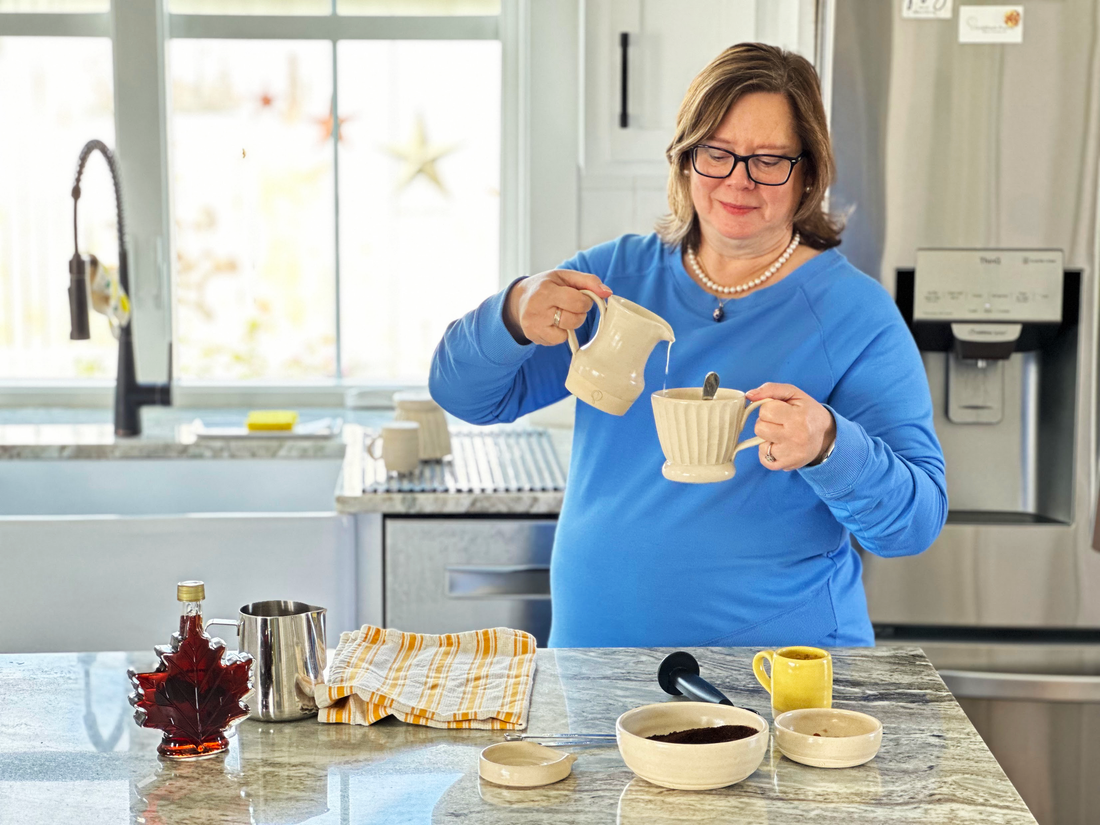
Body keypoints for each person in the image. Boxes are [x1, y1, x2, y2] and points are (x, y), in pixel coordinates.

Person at [430, 43, 946, 648]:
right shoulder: (611, 281)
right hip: (595, 665)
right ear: (685, 158)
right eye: (717, 153)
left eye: (769, 160)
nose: (738, 180)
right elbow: (463, 395)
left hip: (773, 677)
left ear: (808, 171)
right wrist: (512, 314)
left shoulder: (854, 314)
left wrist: (830, 444)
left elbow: (914, 523)